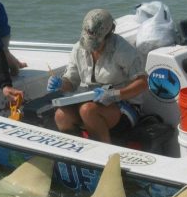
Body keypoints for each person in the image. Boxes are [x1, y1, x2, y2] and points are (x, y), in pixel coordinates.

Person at [47, 9, 148, 144]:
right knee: (61, 115)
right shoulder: (78, 49)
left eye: (97, 44)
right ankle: (76, 152)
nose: (92, 48)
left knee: (87, 111)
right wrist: (61, 83)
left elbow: (142, 83)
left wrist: (115, 94)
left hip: (123, 105)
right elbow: (71, 82)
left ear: (108, 35)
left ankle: (103, 154)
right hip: (89, 101)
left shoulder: (123, 50)